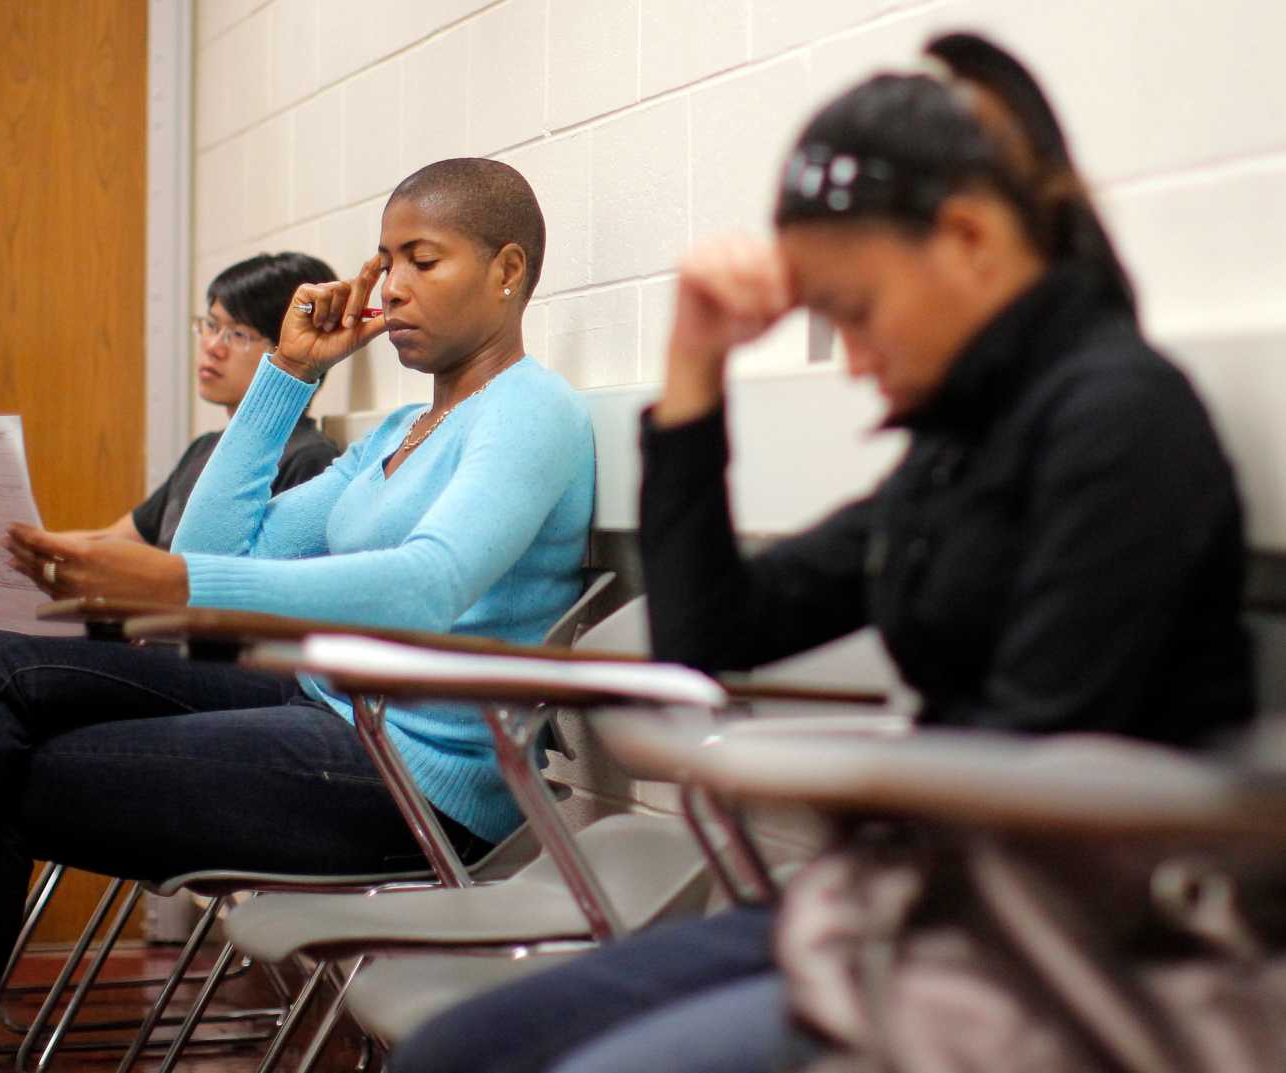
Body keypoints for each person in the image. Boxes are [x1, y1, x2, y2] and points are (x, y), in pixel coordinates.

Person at [390, 32, 1253, 1073]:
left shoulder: (1118, 421)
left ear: (972, 236)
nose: (851, 356)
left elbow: (1033, 763)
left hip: (1069, 946)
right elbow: (710, 634)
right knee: (457, 1048)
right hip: (927, 903)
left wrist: (827, 772)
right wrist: (695, 368)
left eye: (858, 310)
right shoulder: (960, 446)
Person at [0, 157, 594, 1073]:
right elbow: (210, 545)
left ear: (509, 271)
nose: (393, 286)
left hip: (403, 782)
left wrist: (177, 587)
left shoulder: (534, 412)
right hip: (321, 713)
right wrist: (287, 373)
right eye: (385, 259)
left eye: (423, 259)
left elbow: (425, 585)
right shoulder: (395, 435)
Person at [0, 251, 342, 565]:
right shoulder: (206, 448)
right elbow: (108, 543)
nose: (213, 347)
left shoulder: (310, 458)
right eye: (211, 326)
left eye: (237, 334)